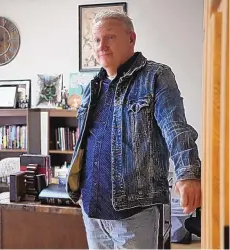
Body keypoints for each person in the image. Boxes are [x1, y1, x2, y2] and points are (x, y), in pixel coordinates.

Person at [66, 9, 201, 249]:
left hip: (134, 213)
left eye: (110, 37)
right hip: (92, 211)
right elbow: (85, 143)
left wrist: (187, 173)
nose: (102, 45)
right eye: (97, 40)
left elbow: (175, 127)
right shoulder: (91, 87)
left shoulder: (155, 76)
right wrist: (78, 188)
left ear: (131, 38)